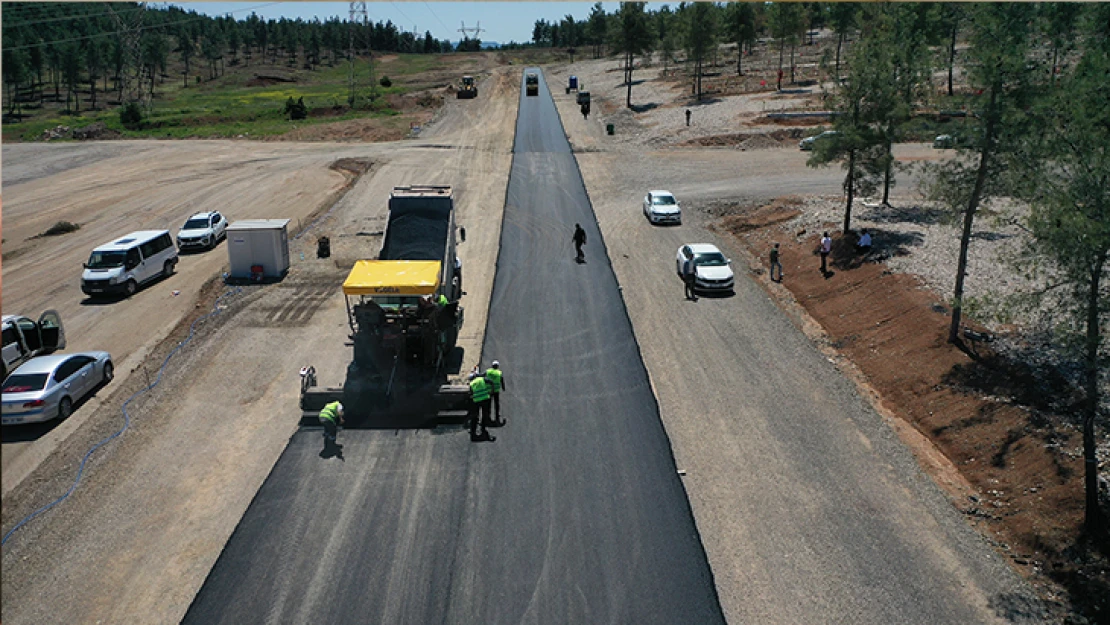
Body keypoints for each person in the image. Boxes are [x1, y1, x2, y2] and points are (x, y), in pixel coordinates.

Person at [468, 370, 494, 441]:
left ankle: (473, 429)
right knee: (485, 414)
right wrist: (491, 391)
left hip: (476, 401)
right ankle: (483, 426)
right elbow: (491, 382)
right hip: (485, 399)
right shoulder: (481, 379)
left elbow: (470, 393)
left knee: (475, 415)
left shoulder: (471, 384)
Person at [485, 360, 505, 425]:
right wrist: (503, 387)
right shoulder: (499, 372)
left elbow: (482, 376)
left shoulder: (488, 371)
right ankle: (497, 415)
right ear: (497, 366)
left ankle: (488, 416)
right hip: (496, 391)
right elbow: (502, 380)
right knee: (496, 403)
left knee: (488, 403)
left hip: (489, 390)